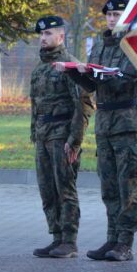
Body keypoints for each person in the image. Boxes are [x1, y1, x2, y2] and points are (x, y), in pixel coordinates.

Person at [60, 0, 137, 261]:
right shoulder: (100, 41)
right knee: (108, 187)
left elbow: (133, 79)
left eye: (118, 15)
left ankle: (125, 243)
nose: (112, 19)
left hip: (127, 122)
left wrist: (101, 73)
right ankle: (112, 238)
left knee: (127, 186)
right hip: (105, 123)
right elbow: (93, 84)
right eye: (109, 15)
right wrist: (76, 72)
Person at [30, 16, 92, 259]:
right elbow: (36, 105)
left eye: (48, 34)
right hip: (43, 136)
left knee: (65, 188)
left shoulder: (70, 65)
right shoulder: (40, 67)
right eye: (41, 34)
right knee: (47, 189)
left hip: (62, 136)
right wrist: (34, 132)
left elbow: (84, 104)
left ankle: (69, 240)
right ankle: (56, 237)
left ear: (61, 36)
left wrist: (74, 140)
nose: (43, 38)